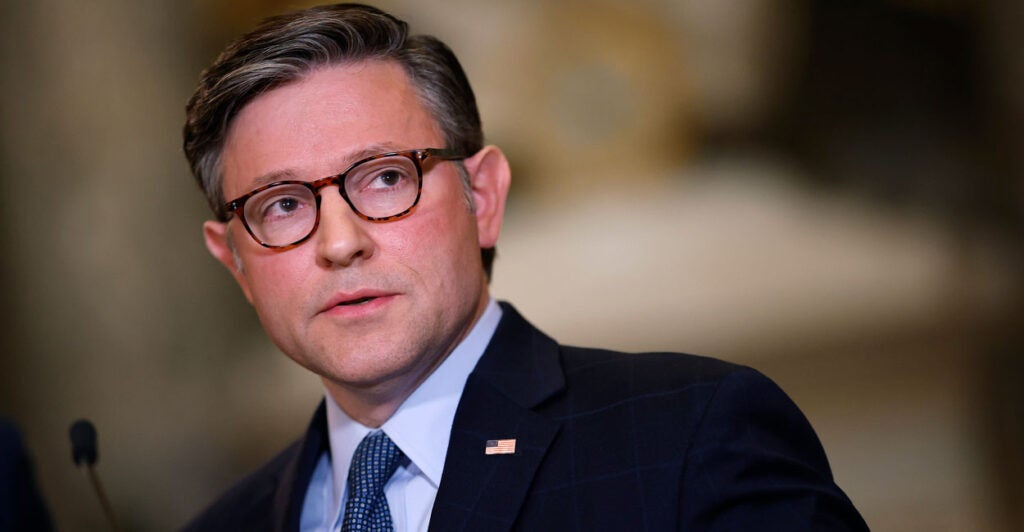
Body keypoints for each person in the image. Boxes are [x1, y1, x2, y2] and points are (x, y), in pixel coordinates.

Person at [182, 3, 868, 531]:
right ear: (234, 260)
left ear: (482, 196)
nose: (340, 242)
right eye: (282, 206)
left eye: (386, 178)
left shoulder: (692, 438)